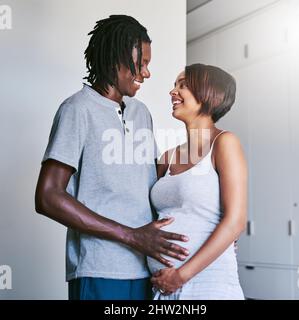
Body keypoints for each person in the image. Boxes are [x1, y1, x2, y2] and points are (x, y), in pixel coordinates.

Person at [34, 15, 189, 300]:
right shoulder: (77, 110)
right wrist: (132, 236)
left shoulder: (141, 113)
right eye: (140, 64)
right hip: (99, 269)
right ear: (115, 60)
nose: (146, 73)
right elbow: (47, 196)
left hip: (147, 268)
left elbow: (152, 186)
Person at [147, 64, 247, 300]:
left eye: (183, 85)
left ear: (208, 94)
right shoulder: (167, 157)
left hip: (209, 284)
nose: (173, 91)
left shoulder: (224, 143)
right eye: (174, 85)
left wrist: (180, 276)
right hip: (163, 287)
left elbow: (235, 221)